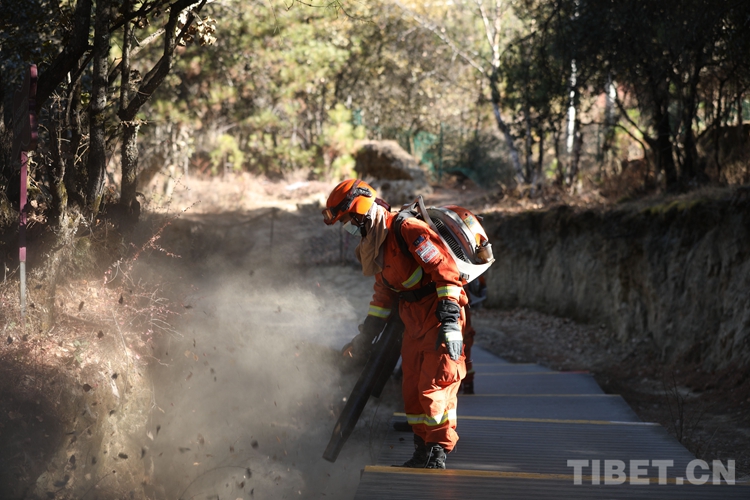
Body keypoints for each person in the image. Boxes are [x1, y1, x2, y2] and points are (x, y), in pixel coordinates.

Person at [323, 179, 468, 470]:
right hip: (411, 321)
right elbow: (383, 295)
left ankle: (437, 450)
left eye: (349, 221)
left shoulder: (407, 230)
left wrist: (450, 319)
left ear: (362, 211)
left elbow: (445, 271)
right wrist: (365, 336)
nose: (350, 229)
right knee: (412, 389)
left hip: (437, 315)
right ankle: (421, 449)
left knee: (434, 385)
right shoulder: (377, 245)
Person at [459, 276, 487, 395]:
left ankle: (461, 384)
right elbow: (480, 287)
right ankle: (467, 385)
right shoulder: (466, 271)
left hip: (457, 312)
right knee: (465, 350)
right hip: (462, 312)